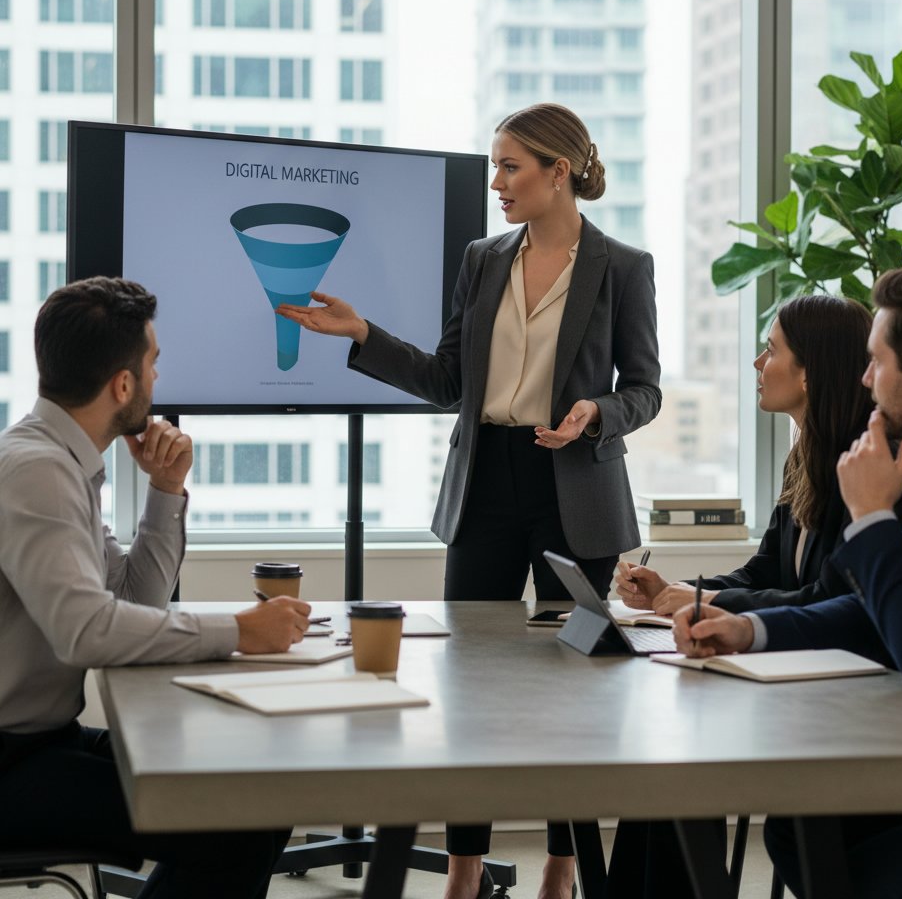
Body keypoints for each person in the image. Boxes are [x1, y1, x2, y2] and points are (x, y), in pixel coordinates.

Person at [277, 102, 661, 899]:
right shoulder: (483, 259)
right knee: (468, 686)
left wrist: (600, 413)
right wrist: (362, 335)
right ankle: (464, 874)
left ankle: (562, 868)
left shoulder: (623, 266)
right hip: (487, 480)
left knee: (575, 691)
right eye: (496, 165)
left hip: (576, 484)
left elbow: (647, 387)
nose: (497, 183)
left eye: (511, 167)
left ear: (561, 173)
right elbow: (449, 379)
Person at [676, 266, 902, 899]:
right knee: (798, 826)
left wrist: (871, 518)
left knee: (849, 865)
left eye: (876, 361)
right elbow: (878, 615)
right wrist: (746, 629)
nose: (865, 378)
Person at [0, 276, 312, 899]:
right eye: (153, 365)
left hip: (43, 742)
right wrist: (240, 633)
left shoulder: (64, 463)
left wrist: (166, 491)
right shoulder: (36, 472)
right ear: (123, 384)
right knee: (239, 824)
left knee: (260, 793)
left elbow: (132, 606)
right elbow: (87, 632)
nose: (156, 380)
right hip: (11, 762)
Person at [615, 293, 878, 618]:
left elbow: (830, 599)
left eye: (771, 351)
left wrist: (708, 604)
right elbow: (764, 573)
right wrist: (673, 592)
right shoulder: (803, 458)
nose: (757, 363)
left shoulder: (870, 467)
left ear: (809, 372)